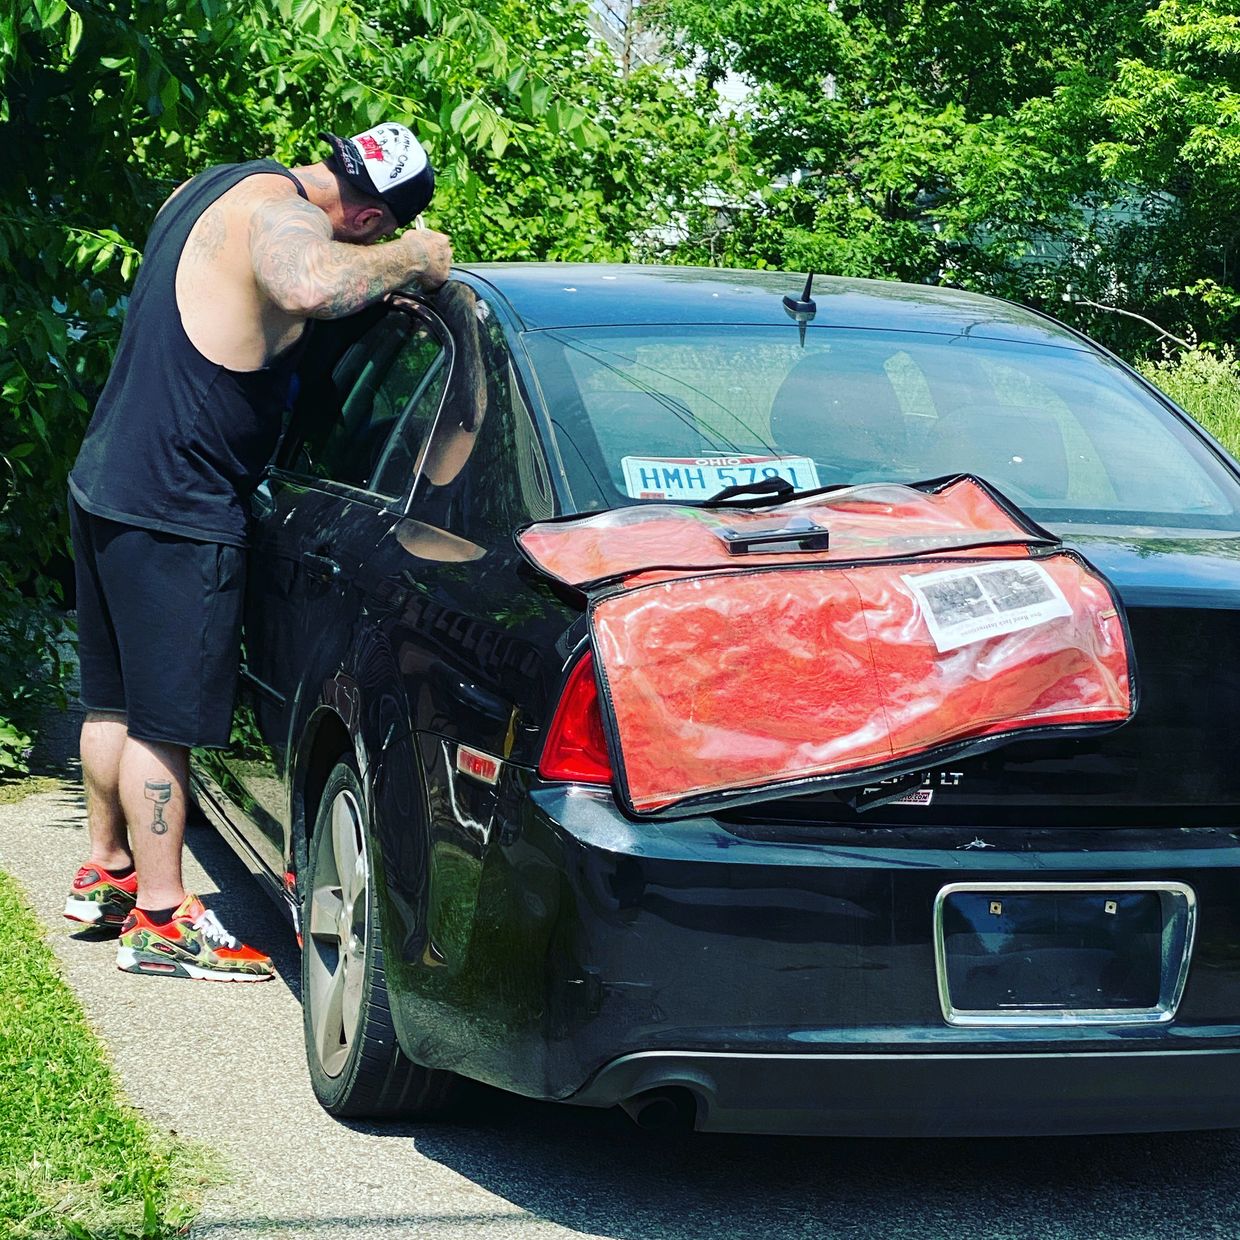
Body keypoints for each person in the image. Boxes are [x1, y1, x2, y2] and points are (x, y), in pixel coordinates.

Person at [63, 122, 452, 981]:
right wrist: (415, 261)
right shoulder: (289, 221)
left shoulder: (216, 185)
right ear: (369, 220)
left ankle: (108, 871)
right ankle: (164, 919)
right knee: (165, 724)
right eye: (383, 233)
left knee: (113, 703)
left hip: (108, 481)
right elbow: (309, 281)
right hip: (177, 504)